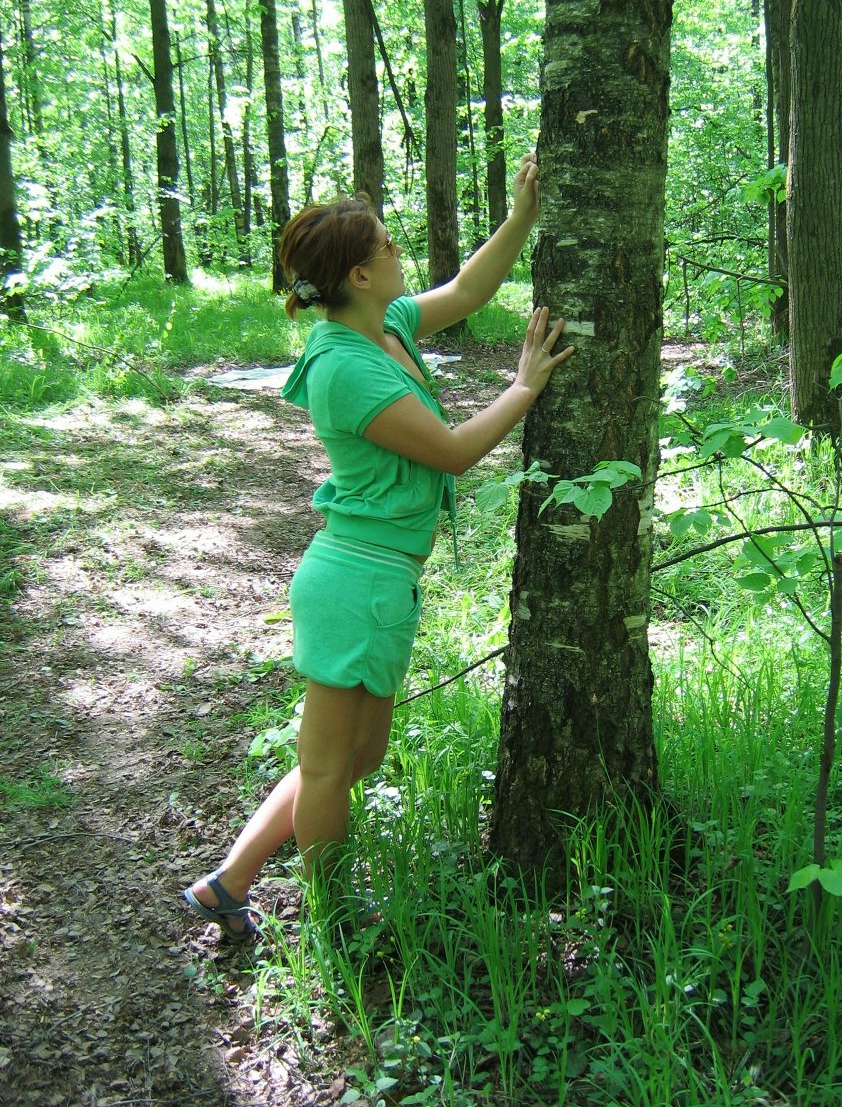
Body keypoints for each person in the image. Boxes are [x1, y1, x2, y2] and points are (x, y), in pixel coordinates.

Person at [183, 153, 573, 940]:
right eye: (389, 247)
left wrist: (522, 218)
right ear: (359, 276)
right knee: (331, 765)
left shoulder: (383, 325)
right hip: (355, 579)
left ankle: (229, 880)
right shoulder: (344, 368)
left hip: (380, 578)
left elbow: (466, 291)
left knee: (354, 760)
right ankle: (334, 920)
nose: (400, 255)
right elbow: (454, 450)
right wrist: (524, 387)